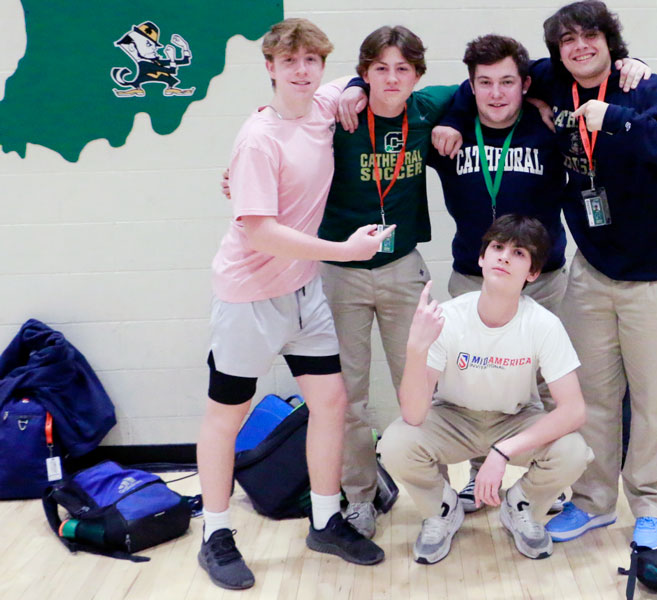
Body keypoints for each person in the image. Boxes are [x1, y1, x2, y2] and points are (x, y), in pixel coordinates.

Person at [198, 18, 390, 590]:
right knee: (226, 416)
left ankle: (326, 521)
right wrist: (343, 251)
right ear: (271, 68)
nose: (303, 71)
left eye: (312, 61)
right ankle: (215, 533)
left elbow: (354, 85)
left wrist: (356, 88)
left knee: (330, 401)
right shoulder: (259, 139)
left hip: (304, 294)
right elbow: (258, 230)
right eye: (291, 63)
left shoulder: (325, 103)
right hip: (250, 297)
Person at [429, 34, 649, 512]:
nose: (496, 93)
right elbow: (399, 96)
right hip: (472, 278)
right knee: (467, 389)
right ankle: (472, 477)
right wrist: (353, 91)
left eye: (508, 82)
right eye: (483, 83)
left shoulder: (550, 124)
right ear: (470, 87)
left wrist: (634, 61)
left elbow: (594, 80)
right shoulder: (453, 130)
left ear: (525, 83)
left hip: (545, 281)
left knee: (554, 389)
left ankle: (544, 483)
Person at [527, 1, 657, 550]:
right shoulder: (554, 82)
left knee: (654, 402)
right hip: (594, 270)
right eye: (568, 41)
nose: (580, 47)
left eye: (591, 36)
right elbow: (502, 73)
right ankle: (593, 501)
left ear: (611, 42)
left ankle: (652, 504)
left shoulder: (647, 91)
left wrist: (620, 121)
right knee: (589, 398)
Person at [379, 215, 594, 564]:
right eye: (497, 247)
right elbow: (414, 414)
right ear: (481, 258)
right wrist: (416, 350)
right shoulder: (447, 317)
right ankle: (442, 510)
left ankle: (519, 505)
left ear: (533, 273)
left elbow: (574, 410)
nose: (504, 257)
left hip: (515, 418)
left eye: (519, 253)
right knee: (396, 443)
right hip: (453, 418)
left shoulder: (543, 324)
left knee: (574, 451)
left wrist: (502, 452)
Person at [317, 26, 457, 540]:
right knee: (348, 398)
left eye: (403, 69)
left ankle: (437, 497)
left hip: (402, 270)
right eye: (379, 69)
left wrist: (456, 123)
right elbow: (281, 121)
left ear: (417, 75)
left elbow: (486, 85)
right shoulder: (339, 115)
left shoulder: (425, 110)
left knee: (420, 390)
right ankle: (359, 496)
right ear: (364, 73)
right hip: (341, 274)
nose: (392, 78)